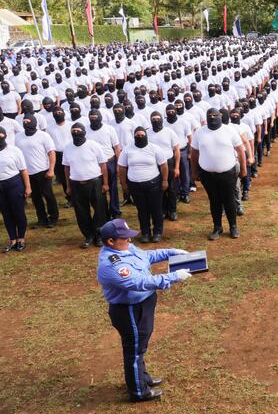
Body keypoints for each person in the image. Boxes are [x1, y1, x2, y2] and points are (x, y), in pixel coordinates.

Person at [96, 218, 192, 402]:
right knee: (134, 349)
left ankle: (142, 378)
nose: (130, 241)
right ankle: (139, 391)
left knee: (140, 345)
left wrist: (171, 253)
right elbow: (139, 283)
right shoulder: (113, 264)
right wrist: (173, 277)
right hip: (130, 310)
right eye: (125, 238)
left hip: (143, 304)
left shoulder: (125, 247)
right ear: (110, 241)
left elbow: (146, 256)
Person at [190, 108, 247, 240]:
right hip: (207, 175)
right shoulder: (200, 132)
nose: (212, 117)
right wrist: (194, 171)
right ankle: (217, 227)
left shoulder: (229, 130)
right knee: (214, 201)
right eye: (210, 115)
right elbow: (194, 153)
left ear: (220, 116)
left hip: (227, 173)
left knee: (229, 200)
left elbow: (240, 150)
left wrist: (243, 169)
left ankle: (233, 226)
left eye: (215, 115)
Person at [118, 127, 169, 242]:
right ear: (134, 136)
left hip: (153, 184)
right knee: (142, 210)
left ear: (146, 135)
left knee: (156, 209)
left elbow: (163, 165)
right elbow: (122, 167)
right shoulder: (127, 149)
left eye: (142, 135)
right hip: (135, 186)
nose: (139, 137)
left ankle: (157, 232)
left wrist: (165, 180)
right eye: (137, 135)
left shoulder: (154, 148)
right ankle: (145, 233)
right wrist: (123, 184)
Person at [63, 123, 109, 247]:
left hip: (94, 182)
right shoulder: (67, 148)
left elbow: (103, 165)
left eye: (78, 131)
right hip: (76, 184)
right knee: (81, 212)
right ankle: (89, 236)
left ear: (84, 132)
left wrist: (105, 183)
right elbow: (66, 168)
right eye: (73, 131)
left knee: (100, 210)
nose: (76, 133)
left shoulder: (93, 146)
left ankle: (100, 235)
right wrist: (68, 186)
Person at [16, 114, 59, 228]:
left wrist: (51, 169)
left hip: (43, 171)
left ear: (34, 122)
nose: (26, 124)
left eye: (28, 122)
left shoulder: (43, 135)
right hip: (28, 173)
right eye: (24, 122)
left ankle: (53, 218)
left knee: (48, 195)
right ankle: (42, 219)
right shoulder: (18, 137)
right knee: (35, 197)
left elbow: (51, 153)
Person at [0, 126, 31, 252]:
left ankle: (21, 238)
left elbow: (23, 170)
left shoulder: (14, 150)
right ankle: (12, 239)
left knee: (18, 212)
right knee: (6, 214)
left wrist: (28, 187)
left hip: (14, 183)